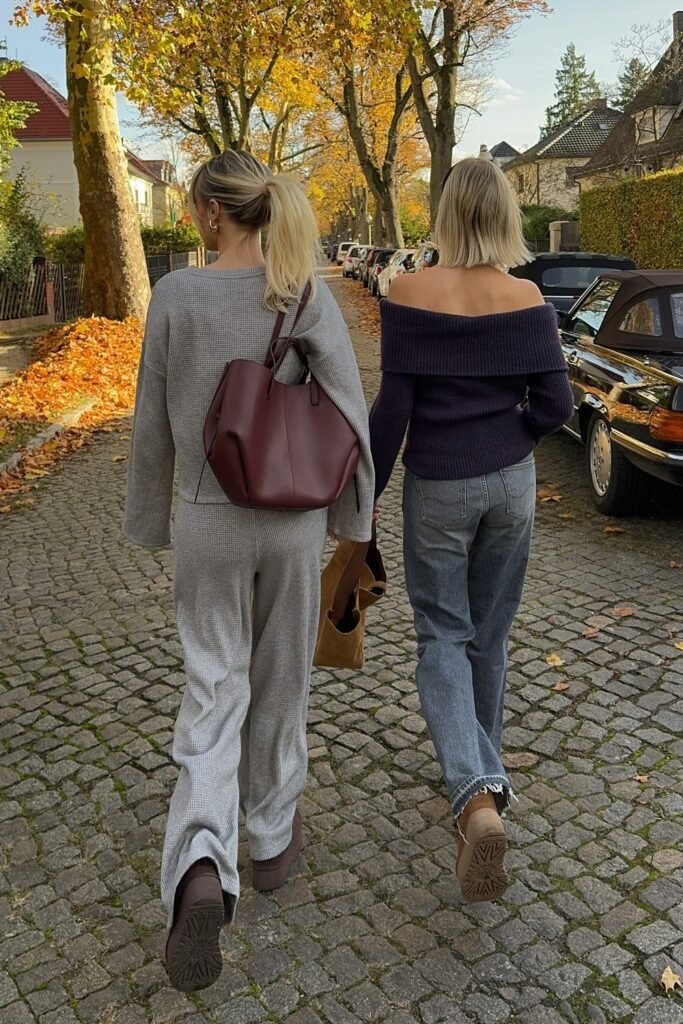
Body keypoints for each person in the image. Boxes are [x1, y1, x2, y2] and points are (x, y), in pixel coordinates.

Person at [123, 150, 374, 992]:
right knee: (280, 683)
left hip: (209, 521)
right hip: (293, 519)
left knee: (213, 684)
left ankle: (201, 857)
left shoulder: (175, 296)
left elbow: (153, 420)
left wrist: (148, 521)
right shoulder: (301, 290)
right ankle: (267, 843)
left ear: (204, 211)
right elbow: (346, 406)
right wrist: (354, 520)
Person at [369, 158, 573, 904]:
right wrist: (510, 435)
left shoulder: (410, 292)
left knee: (441, 636)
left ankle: (474, 791)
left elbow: (391, 413)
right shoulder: (527, 299)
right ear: (507, 215)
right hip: (510, 485)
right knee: (489, 634)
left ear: (447, 213)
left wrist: (360, 499)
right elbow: (556, 405)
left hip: (439, 487)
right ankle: (476, 777)